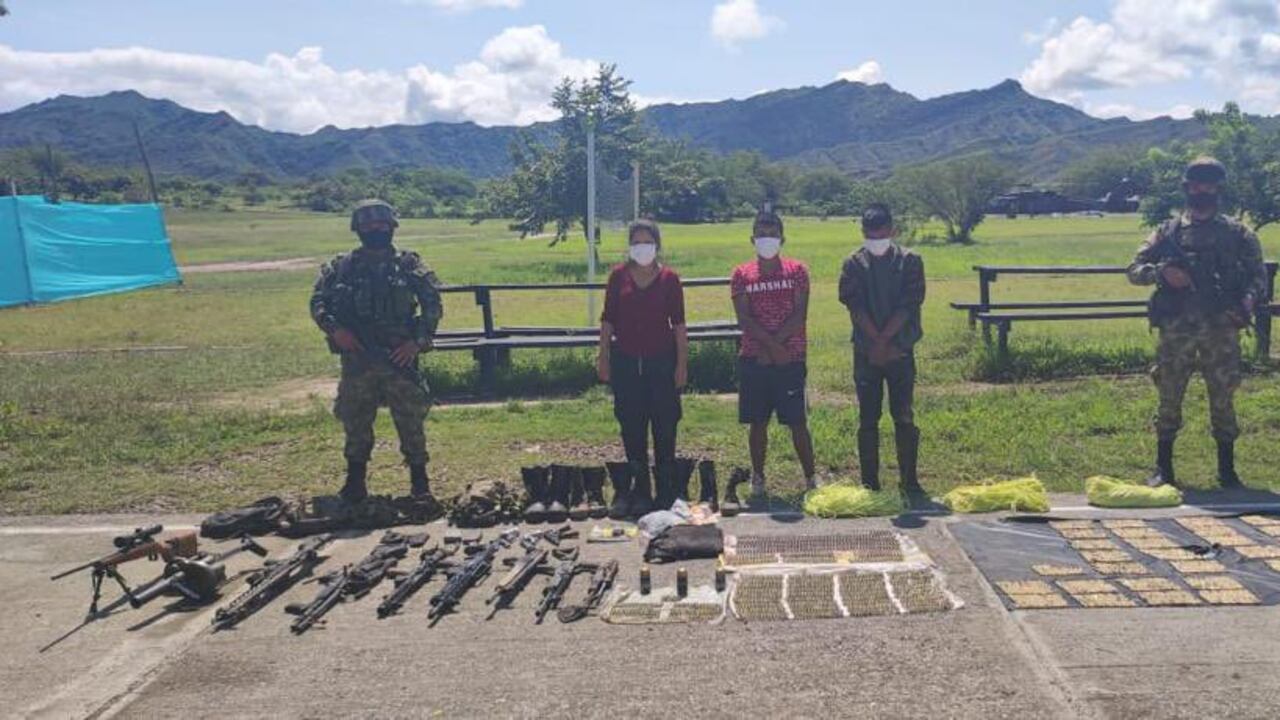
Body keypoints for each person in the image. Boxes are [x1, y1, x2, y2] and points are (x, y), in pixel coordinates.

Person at [1127, 157, 1267, 488]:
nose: (1201, 189)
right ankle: (1163, 468)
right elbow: (1134, 269)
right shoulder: (1168, 231)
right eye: (1196, 184)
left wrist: (1246, 301)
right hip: (1177, 328)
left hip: (1221, 327)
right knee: (1169, 394)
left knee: (1223, 395)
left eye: (1208, 184)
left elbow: (1257, 278)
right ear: (1187, 187)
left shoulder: (1238, 233)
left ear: (1218, 188)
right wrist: (1162, 273)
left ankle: (1227, 472)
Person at [310, 199, 444, 503]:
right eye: (368, 226)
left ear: (392, 227)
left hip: (399, 357)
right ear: (357, 229)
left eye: (382, 225)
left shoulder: (409, 264)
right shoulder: (341, 267)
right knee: (356, 421)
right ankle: (355, 482)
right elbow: (318, 302)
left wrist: (417, 342)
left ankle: (419, 483)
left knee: (410, 421)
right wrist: (335, 330)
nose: (376, 230)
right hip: (357, 359)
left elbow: (433, 305)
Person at [597, 219, 689, 517]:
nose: (642, 247)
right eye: (636, 242)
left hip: (661, 361)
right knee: (631, 424)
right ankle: (639, 489)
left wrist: (681, 365)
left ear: (657, 244)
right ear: (630, 246)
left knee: (665, 424)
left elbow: (679, 325)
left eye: (647, 241)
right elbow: (608, 320)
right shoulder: (618, 277)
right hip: (626, 361)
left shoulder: (670, 279)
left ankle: (666, 489)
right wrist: (603, 356)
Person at [838, 204, 927, 505]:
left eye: (881, 232)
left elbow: (908, 305)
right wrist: (876, 343)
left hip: (900, 351)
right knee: (868, 418)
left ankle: (910, 480)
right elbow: (855, 306)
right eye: (870, 233)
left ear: (891, 230)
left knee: (903, 416)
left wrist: (885, 341)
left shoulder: (910, 261)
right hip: (867, 354)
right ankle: (870, 482)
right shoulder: (853, 264)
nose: (876, 238)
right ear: (863, 232)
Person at [731, 208, 817, 495]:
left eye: (773, 234)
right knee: (757, 422)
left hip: (790, 358)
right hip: (755, 358)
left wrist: (779, 347)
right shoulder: (742, 274)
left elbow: (799, 314)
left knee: (797, 421)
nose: (767, 239)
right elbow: (744, 318)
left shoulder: (797, 271)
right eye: (761, 234)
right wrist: (768, 348)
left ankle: (810, 478)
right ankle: (758, 477)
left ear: (782, 239)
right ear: (752, 239)